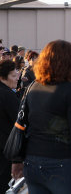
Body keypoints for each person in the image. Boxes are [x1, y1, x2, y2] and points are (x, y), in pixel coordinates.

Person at [11, 40, 71, 194]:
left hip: (32, 164)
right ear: (70, 63)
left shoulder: (33, 87)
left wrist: (17, 160)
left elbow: (22, 125)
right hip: (61, 164)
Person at [0, 60, 20, 193]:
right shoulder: (7, 95)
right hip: (5, 150)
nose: (17, 79)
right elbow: (20, 122)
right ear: (2, 77)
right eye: (13, 76)